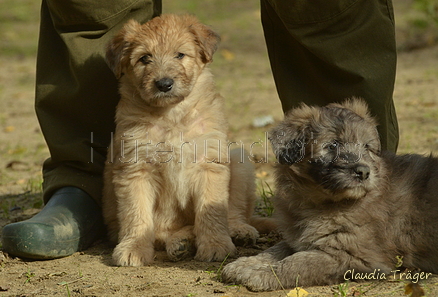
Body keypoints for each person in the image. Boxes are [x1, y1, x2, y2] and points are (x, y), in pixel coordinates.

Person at [1, 0, 398, 259]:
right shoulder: (133, 113)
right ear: (124, 63)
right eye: (144, 60)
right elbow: (131, 176)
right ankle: (81, 188)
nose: (163, 76)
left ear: (203, 56)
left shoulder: (207, 105)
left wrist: (223, 226)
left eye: (180, 56)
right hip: (153, 219)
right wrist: (138, 236)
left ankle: (363, 186)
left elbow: (213, 171)